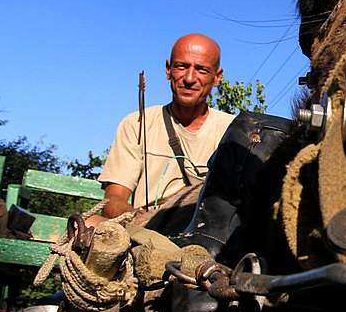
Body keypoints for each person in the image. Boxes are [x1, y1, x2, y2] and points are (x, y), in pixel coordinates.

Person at [89, 33, 236, 226]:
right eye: (181, 66)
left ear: (217, 77)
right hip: (145, 229)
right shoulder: (138, 123)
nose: (190, 78)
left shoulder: (234, 131)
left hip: (204, 233)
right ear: (168, 70)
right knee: (90, 223)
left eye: (201, 70)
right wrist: (138, 217)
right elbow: (113, 199)